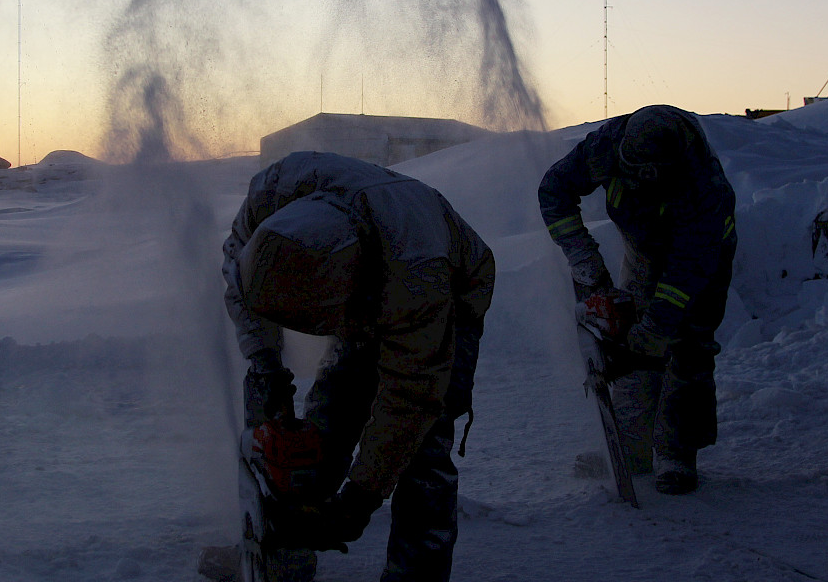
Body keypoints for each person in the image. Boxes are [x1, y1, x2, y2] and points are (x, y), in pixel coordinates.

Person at [223, 151, 493, 582]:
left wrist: (360, 499)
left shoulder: (419, 279)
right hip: (379, 253)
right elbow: (238, 269)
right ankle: (287, 549)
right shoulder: (273, 193)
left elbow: (409, 400)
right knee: (332, 406)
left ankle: (415, 572)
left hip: (451, 291)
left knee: (425, 445)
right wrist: (264, 362)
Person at [538, 104, 735, 494]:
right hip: (642, 248)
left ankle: (676, 453)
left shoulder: (704, 189)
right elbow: (553, 191)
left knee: (687, 344)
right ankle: (633, 445)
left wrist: (657, 326)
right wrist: (585, 261)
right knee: (632, 336)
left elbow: (685, 274)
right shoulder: (606, 147)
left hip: (701, 259)